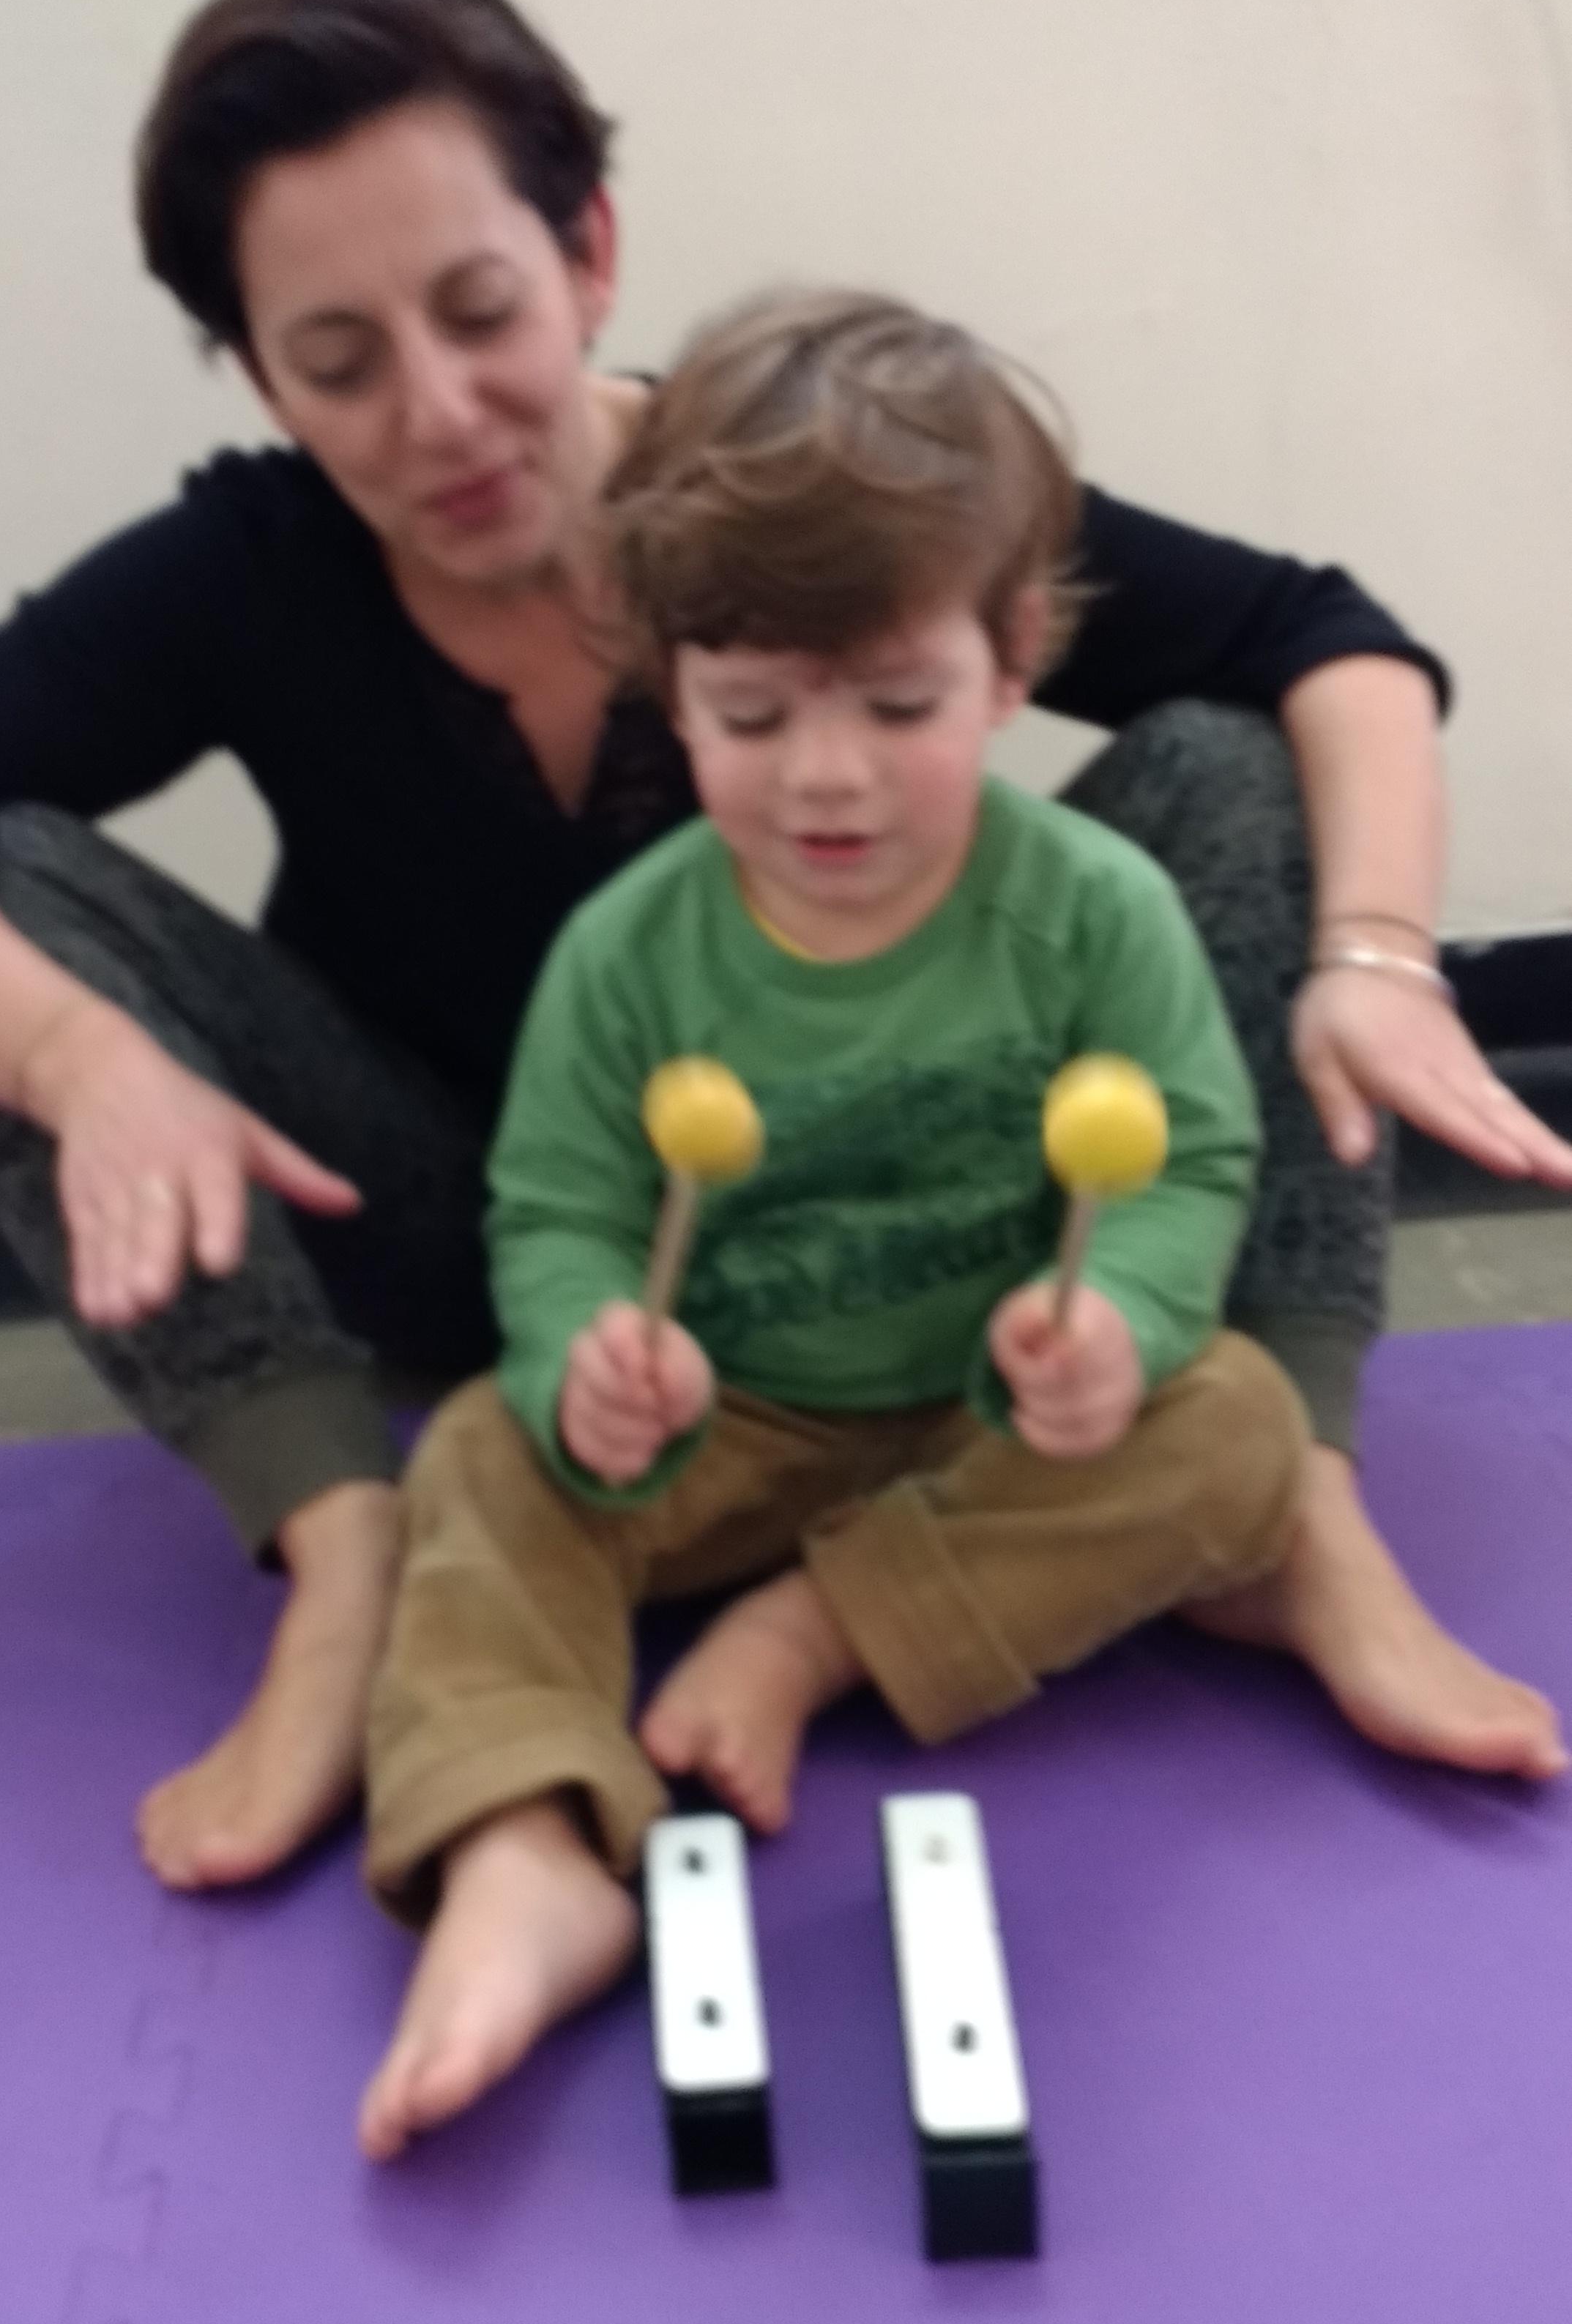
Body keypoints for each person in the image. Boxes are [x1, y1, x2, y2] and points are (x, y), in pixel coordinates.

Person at [0, 0, 1560, 1903]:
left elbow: (1321, 643)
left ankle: (1295, 1505)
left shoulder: (806, 492)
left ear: (587, 247)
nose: (439, 414)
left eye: (479, 310)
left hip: (943, 1245)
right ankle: (348, 1553)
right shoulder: (248, 568)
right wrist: (85, 1061)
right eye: (336, 363)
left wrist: (1376, 955)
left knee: (1231, 753)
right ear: (259, 372)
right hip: (511, 1259)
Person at [358, 286, 1315, 2157]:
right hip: (734, 1426)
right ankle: (523, 1847)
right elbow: (556, 1208)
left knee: (1245, 1429)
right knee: (479, 1457)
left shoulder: (1095, 912)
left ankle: (818, 1637)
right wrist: (590, 1358)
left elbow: (1193, 1162)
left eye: (897, 704)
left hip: (993, 1425)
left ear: (1012, 655)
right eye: (750, 712)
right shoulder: (634, 951)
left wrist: (1114, 1318)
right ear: (670, 685)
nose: (825, 775)